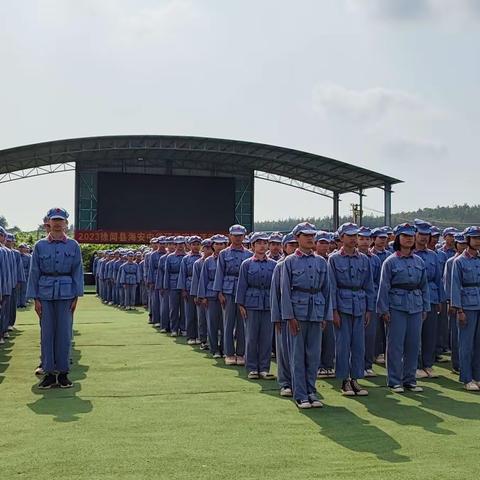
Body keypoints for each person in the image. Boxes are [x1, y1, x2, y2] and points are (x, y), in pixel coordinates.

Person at [27, 207, 84, 389]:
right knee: (47, 333)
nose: (58, 224)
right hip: (45, 293)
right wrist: (34, 298)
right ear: (48, 223)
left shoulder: (73, 245)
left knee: (64, 333)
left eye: (61, 220)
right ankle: (49, 373)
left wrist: (77, 295)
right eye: (54, 220)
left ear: (66, 224)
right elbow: (34, 272)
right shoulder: (40, 246)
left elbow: (77, 271)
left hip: (66, 293)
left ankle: (64, 373)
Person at [281, 222, 332, 409]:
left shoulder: (321, 262)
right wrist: (289, 316)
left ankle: (311, 390)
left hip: (316, 311)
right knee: (297, 355)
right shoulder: (289, 262)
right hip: (298, 311)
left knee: (313, 355)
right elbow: (285, 291)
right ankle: (300, 394)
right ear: (297, 238)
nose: (310, 238)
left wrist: (326, 315)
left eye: (312, 235)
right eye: (306, 235)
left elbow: (327, 291)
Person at [377, 223, 430, 393]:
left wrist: (425, 307)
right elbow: (384, 287)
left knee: (414, 344)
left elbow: (424, 286)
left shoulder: (419, 261)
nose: (408, 239)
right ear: (398, 238)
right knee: (395, 345)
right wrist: (384, 310)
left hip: (415, 305)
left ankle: (410, 379)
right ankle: (394, 380)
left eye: (411, 236)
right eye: (405, 236)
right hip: (396, 306)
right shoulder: (390, 261)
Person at [328, 223, 375, 397]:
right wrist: (333, 310)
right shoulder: (334, 259)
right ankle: (344, 380)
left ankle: (355, 378)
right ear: (341, 238)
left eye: (355, 235)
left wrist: (369, 309)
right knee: (342, 345)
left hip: (359, 304)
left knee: (358, 345)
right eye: (349, 235)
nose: (353, 238)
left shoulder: (364, 259)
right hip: (342, 305)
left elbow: (369, 286)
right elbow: (331, 287)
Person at [236, 232, 276, 380]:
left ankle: (264, 368)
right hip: (251, 303)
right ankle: (252, 367)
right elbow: (242, 285)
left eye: (265, 243)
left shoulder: (274, 264)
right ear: (252, 246)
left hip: (268, 304)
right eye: (258, 243)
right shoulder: (246, 264)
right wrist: (241, 304)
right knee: (252, 337)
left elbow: (276, 286)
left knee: (266, 337)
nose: (262, 245)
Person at [213, 224, 252, 366]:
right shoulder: (224, 254)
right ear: (230, 236)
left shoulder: (249, 254)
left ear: (244, 237)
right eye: (235, 235)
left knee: (242, 323)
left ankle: (241, 353)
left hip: (243, 292)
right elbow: (219, 273)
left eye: (240, 235)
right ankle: (229, 353)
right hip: (228, 290)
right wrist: (219, 292)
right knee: (228, 323)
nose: (237, 238)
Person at [413, 219, 445, 379]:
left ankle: (428, 364)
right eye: (421, 234)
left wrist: (440, 299)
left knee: (430, 333)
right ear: (415, 235)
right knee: (415, 334)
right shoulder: (409, 254)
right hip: (413, 296)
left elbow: (439, 279)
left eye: (427, 234)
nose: (425, 238)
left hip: (431, 297)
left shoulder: (434, 256)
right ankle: (416, 365)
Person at [450, 226, 480, 391]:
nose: (478, 241)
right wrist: (459, 310)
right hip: (467, 305)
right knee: (466, 343)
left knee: (479, 343)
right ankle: (467, 377)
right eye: (474, 238)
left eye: (479, 238)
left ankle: (478, 376)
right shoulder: (459, 261)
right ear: (467, 240)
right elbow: (455, 286)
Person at [270, 232, 298, 396]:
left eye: (296, 245)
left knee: (299, 352)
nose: (294, 248)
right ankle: (285, 382)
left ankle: (298, 381)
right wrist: (276, 318)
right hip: (283, 314)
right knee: (283, 351)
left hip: (300, 313)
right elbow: (275, 294)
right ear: (284, 247)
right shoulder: (280, 266)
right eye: (291, 245)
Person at [357, 227, 381, 378]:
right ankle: (357, 365)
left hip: (370, 300)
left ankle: (367, 364)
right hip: (353, 299)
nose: (365, 241)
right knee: (355, 336)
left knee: (370, 334)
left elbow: (377, 281)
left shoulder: (375, 259)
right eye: (362, 238)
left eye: (367, 239)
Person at [198, 235, 228, 358]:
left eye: (222, 244)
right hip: (211, 295)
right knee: (212, 323)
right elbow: (203, 279)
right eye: (217, 244)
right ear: (212, 246)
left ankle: (225, 349)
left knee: (226, 324)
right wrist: (203, 296)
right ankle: (214, 349)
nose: (219, 246)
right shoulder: (208, 261)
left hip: (226, 294)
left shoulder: (229, 259)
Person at [443, 232, 468, 374]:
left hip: (472, 300)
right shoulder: (452, 262)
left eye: (465, 243)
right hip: (457, 302)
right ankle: (457, 364)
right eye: (461, 243)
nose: (463, 246)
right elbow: (448, 284)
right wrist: (451, 303)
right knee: (456, 335)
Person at [315, 231, 335, 379]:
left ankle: (327, 364)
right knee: (317, 337)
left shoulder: (332, 260)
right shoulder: (314, 260)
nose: (324, 245)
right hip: (316, 302)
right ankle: (317, 365)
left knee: (329, 336)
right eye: (321, 242)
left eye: (326, 243)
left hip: (332, 301)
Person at [178, 236, 202, 344]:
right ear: (189, 245)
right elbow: (182, 274)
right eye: (194, 244)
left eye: (198, 244)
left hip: (201, 288)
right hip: (189, 286)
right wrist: (183, 289)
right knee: (190, 313)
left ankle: (200, 336)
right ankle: (191, 336)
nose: (196, 246)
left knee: (200, 315)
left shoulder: (203, 257)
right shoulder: (186, 259)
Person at [190, 238, 214, 350]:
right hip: (202, 294)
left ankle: (213, 340)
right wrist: (197, 295)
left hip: (213, 294)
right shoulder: (198, 263)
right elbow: (196, 280)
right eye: (206, 248)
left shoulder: (217, 261)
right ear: (203, 248)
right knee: (202, 319)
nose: (209, 250)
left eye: (210, 248)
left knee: (214, 320)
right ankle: (203, 340)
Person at [164, 236, 187, 336]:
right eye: (178, 244)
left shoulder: (187, 256)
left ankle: (183, 328)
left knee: (184, 308)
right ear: (175, 245)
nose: (180, 246)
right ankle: (174, 328)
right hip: (173, 285)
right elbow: (166, 273)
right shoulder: (170, 257)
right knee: (173, 308)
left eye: (182, 244)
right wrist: (166, 286)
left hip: (185, 286)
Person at [17, 243, 32, 308]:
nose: (21, 249)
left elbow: (29, 267)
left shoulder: (28, 257)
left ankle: (23, 303)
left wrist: (29, 275)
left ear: (25, 249)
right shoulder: (16, 255)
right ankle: (17, 304)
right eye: (20, 247)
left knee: (24, 290)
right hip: (17, 275)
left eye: (23, 247)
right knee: (17, 290)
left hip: (25, 275)